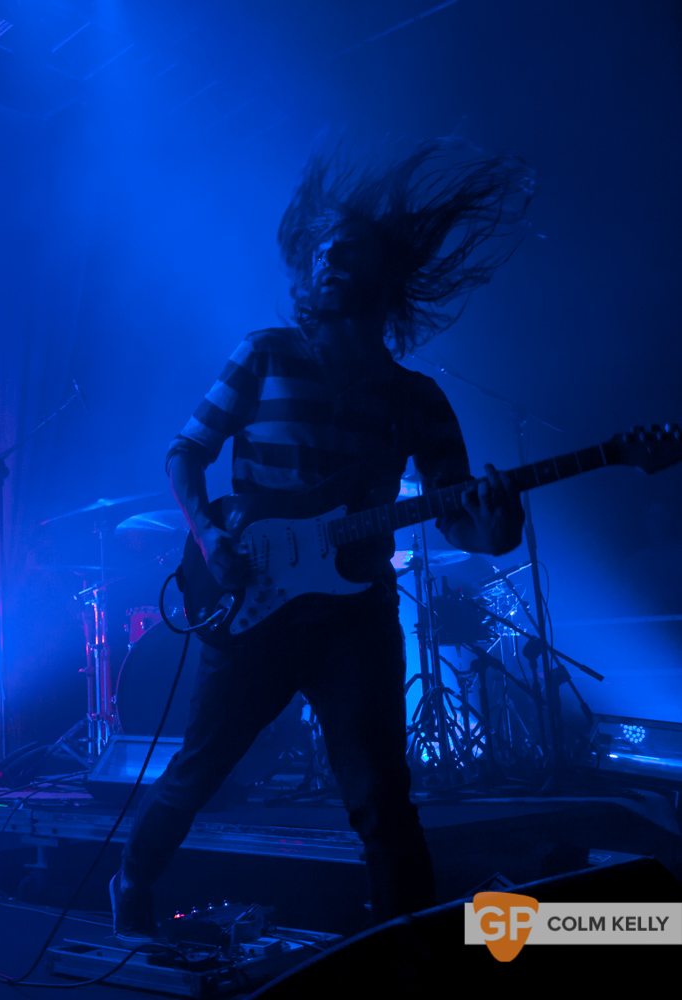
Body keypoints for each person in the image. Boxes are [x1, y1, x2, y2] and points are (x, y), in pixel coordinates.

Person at [110, 141, 534, 939]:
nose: (332, 261)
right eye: (323, 252)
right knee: (198, 771)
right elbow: (185, 452)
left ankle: (406, 950)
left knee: (379, 796)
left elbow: (463, 520)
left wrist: (499, 515)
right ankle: (130, 879)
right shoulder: (266, 353)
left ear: (382, 277)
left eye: (350, 252)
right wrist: (209, 536)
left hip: (354, 618)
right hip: (256, 605)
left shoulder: (416, 398)